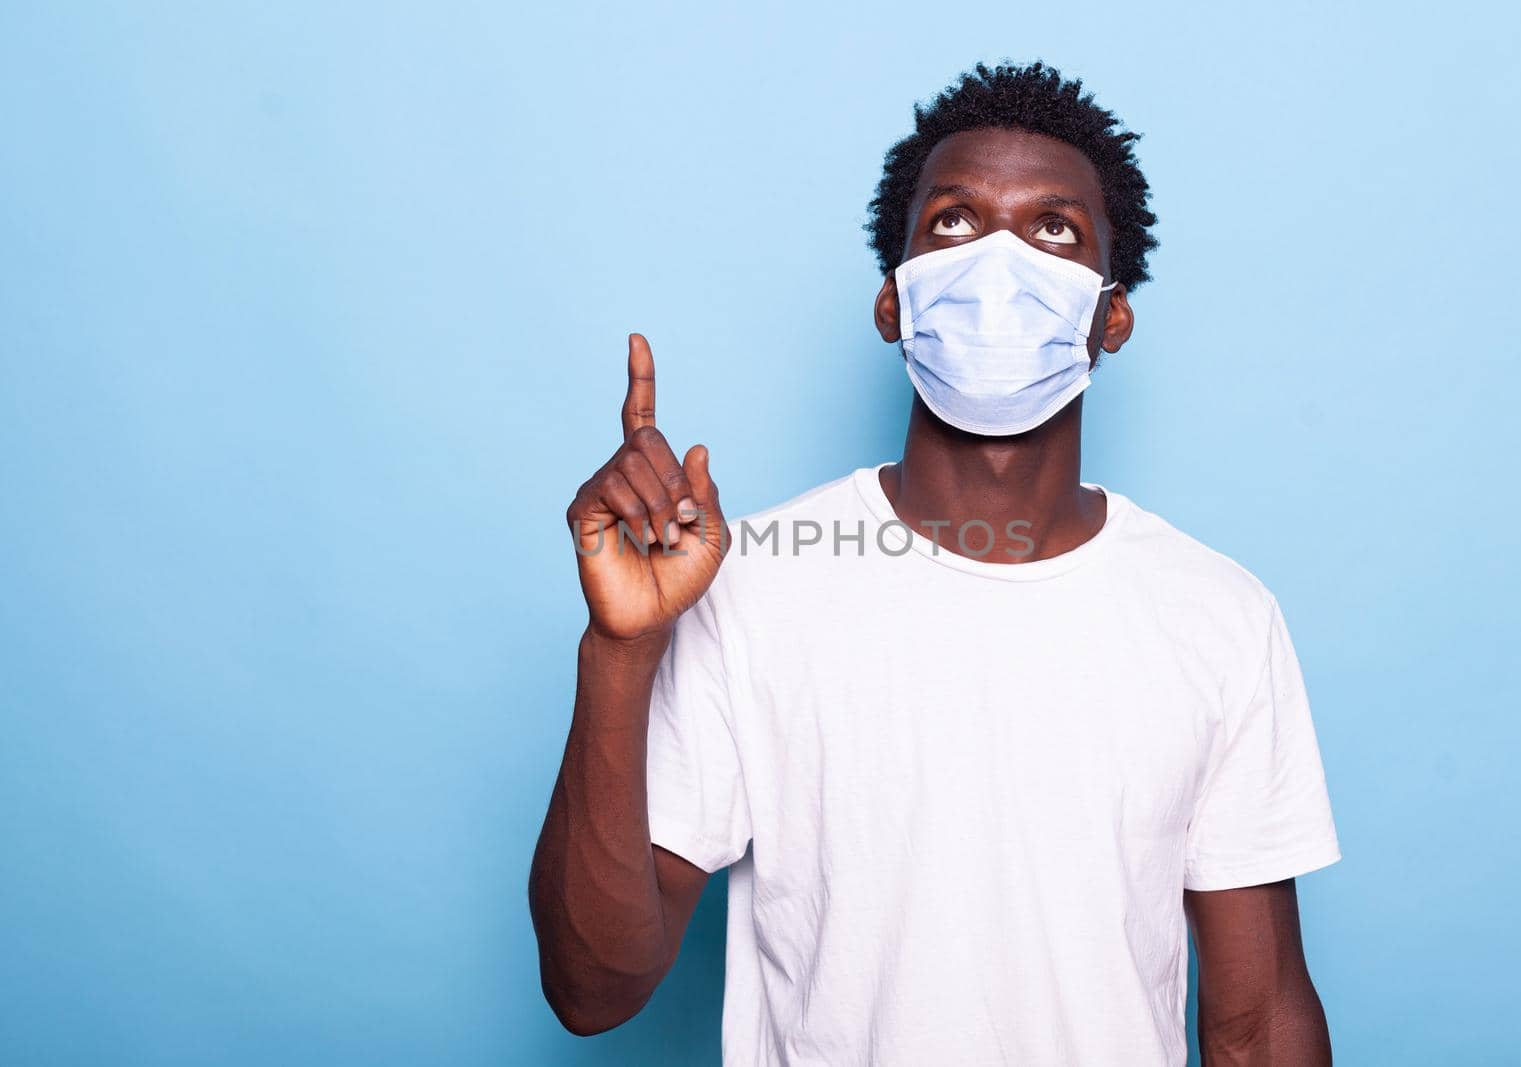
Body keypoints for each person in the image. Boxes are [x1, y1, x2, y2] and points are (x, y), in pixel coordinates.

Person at [530, 60, 1341, 1066]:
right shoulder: (751, 587)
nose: (998, 262)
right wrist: (619, 652)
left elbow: (1258, 1025)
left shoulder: (1218, 616)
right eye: (953, 222)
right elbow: (591, 988)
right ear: (893, 303)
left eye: (1054, 229)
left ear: (1109, 318)